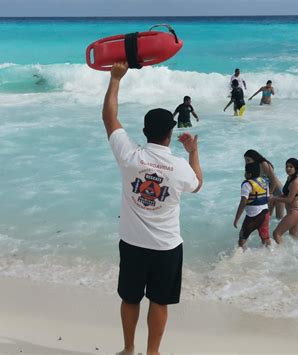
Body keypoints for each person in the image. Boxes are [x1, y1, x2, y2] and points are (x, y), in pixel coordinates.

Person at [102, 62, 203, 355]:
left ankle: (129, 348)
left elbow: (109, 117)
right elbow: (197, 184)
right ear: (170, 134)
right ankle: (152, 353)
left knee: (130, 298)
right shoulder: (180, 167)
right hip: (166, 247)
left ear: (144, 131)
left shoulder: (130, 155)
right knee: (159, 301)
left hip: (132, 244)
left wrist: (116, 78)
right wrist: (194, 152)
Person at [233, 162, 271, 248]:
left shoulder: (247, 184)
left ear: (249, 174)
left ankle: (240, 258)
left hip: (253, 216)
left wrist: (236, 218)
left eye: (245, 172)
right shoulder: (264, 181)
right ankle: (271, 255)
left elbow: (243, 202)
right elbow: (267, 198)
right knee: (265, 239)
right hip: (265, 213)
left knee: (242, 240)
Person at [270, 158, 298, 243]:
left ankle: (281, 254)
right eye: (287, 166)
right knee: (294, 238)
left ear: (296, 168)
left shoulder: (295, 182)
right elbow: (285, 194)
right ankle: (296, 255)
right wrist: (273, 198)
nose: (288, 168)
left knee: (276, 233)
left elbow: (289, 200)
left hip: (295, 212)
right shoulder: (290, 178)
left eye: (291, 167)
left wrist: (274, 198)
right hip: (297, 213)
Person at [244, 149, 285, 219]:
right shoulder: (251, 167)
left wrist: (270, 194)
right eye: (245, 160)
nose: (246, 162)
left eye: (248, 160)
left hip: (278, 191)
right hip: (267, 191)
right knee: (268, 216)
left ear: (254, 158)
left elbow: (273, 179)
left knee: (279, 218)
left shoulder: (263, 164)